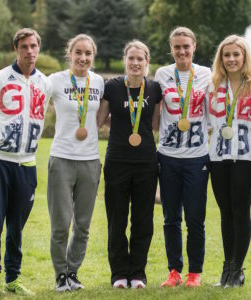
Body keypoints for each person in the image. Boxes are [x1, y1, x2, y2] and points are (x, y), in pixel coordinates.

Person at [0, 28, 52, 300]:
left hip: (27, 165)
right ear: (16, 50)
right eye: (24, 47)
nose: (29, 51)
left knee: (16, 227)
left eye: (33, 46)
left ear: (39, 48)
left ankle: (13, 278)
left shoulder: (46, 82)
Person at [97, 40, 162, 289]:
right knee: (117, 220)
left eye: (140, 59)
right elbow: (99, 119)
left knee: (143, 220)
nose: (135, 63)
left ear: (147, 62)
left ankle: (138, 274)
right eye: (131, 58)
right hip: (117, 162)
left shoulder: (154, 88)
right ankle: (118, 275)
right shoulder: (112, 87)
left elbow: (156, 125)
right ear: (125, 60)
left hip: (146, 162)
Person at [207, 35, 251, 288]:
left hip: (246, 155)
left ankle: (236, 269)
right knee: (225, 212)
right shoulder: (212, 85)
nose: (231, 59)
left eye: (236, 54)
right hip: (218, 155)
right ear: (220, 59)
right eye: (226, 55)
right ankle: (227, 267)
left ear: (245, 57)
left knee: (240, 211)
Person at [154, 27, 211, 288]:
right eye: (177, 47)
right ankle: (174, 270)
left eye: (186, 46)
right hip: (168, 156)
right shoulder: (163, 74)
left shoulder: (206, 75)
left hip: (197, 156)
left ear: (194, 47)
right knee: (170, 218)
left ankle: (195, 273)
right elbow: (156, 113)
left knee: (195, 218)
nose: (181, 51)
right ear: (171, 48)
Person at [47, 34, 104, 292]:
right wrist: (1, 77)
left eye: (88, 53)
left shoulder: (99, 82)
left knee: (83, 225)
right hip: (62, 159)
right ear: (69, 53)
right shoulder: (55, 81)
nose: (83, 58)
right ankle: (60, 275)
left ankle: (73, 272)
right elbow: (30, 89)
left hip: (90, 161)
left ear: (93, 56)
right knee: (61, 224)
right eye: (78, 52)